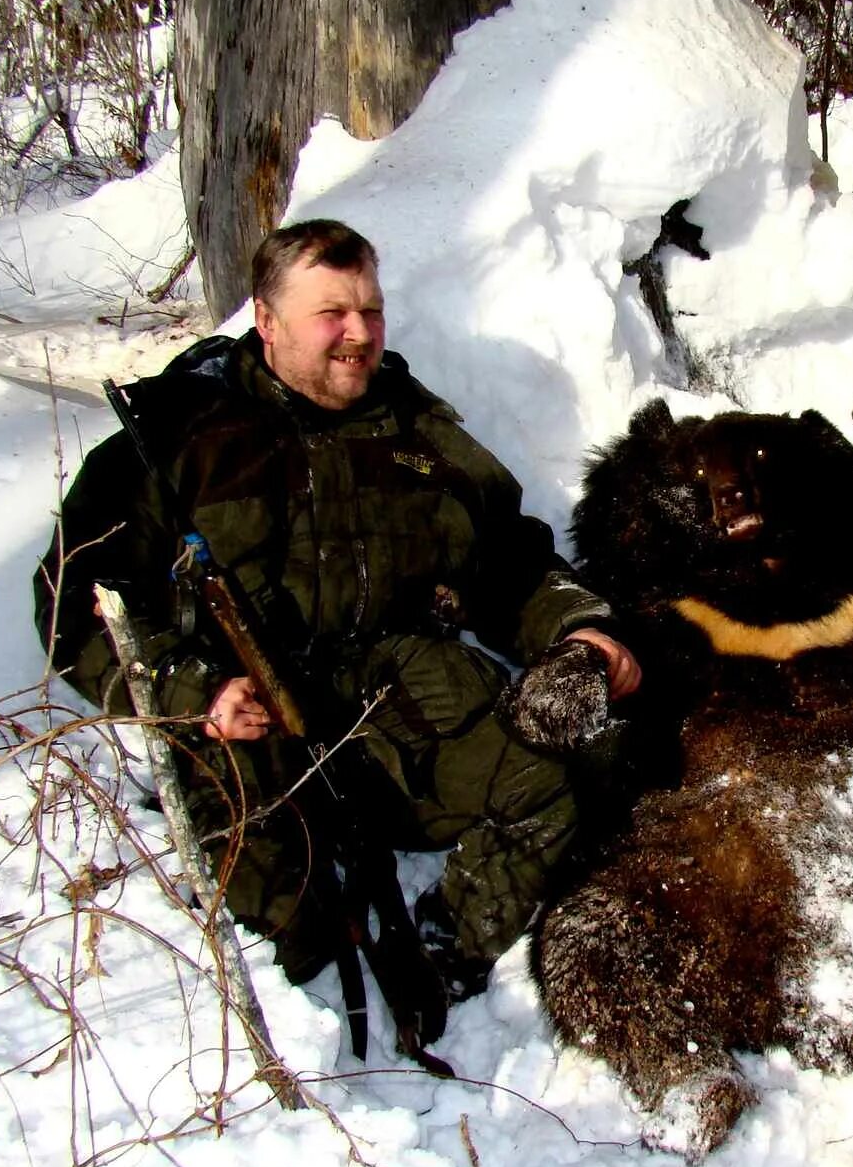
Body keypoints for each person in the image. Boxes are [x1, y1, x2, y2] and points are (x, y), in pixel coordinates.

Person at [36, 218, 639, 1002]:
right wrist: (197, 694)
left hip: (398, 707)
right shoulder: (181, 435)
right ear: (267, 321)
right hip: (252, 731)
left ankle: (442, 952)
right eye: (333, 314)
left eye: (372, 311)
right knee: (297, 934)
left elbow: (508, 560)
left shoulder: (418, 431)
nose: (360, 334)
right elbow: (72, 600)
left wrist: (579, 628)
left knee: (558, 782)